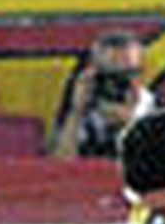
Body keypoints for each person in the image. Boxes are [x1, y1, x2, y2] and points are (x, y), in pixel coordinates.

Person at [48, 30, 158, 160]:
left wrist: (133, 123)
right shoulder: (83, 104)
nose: (118, 85)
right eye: (110, 76)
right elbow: (60, 162)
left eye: (128, 74)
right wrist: (76, 112)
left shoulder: (154, 109)